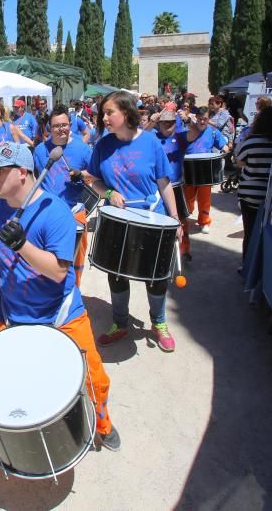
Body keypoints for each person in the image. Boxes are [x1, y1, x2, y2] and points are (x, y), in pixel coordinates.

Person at [0, 141, 120, 452]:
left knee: (93, 378)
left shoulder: (55, 212)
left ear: (22, 173)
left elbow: (58, 272)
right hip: (11, 311)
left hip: (59, 312)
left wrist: (22, 245)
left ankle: (102, 424)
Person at [87, 91, 183, 352]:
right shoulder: (102, 146)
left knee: (155, 276)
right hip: (118, 220)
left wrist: (175, 220)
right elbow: (93, 180)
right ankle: (120, 323)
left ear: (127, 113)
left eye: (110, 112)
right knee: (117, 273)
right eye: (103, 113)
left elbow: (164, 182)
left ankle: (159, 322)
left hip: (153, 218)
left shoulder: (151, 142)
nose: (104, 118)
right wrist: (108, 192)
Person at [33, 105, 93, 286]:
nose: (62, 129)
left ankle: (73, 294)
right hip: (47, 214)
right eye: (57, 126)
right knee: (47, 261)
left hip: (75, 213)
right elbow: (36, 180)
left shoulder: (82, 149)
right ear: (49, 128)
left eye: (65, 125)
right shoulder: (40, 151)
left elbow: (96, 176)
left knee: (75, 262)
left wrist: (82, 175)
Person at [236, 106, 272, 263]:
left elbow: (239, 161)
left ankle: (247, 265)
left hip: (249, 193)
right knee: (269, 232)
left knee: (249, 231)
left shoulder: (252, 141)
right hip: (271, 194)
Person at [182, 106, 231, 233]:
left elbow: (223, 145)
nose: (202, 122)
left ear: (208, 119)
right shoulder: (188, 131)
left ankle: (204, 221)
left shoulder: (213, 132)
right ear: (196, 118)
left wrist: (225, 149)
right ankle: (186, 215)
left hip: (205, 171)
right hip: (189, 169)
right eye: (200, 119)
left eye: (205, 119)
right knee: (188, 197)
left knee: (205, 198)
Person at [154, 109, 192, 262]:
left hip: (176, 186)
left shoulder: (180, 136)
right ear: (159, 123)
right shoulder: (152, 137)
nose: (168, 125)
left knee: (181, 220)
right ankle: (161, 252)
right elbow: (140, 135)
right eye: (165, 122)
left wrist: (189, 120)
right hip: (157, 187)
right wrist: (151, 121)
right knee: (159, 220)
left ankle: (184, 250)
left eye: (171, 122)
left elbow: (196, 132)